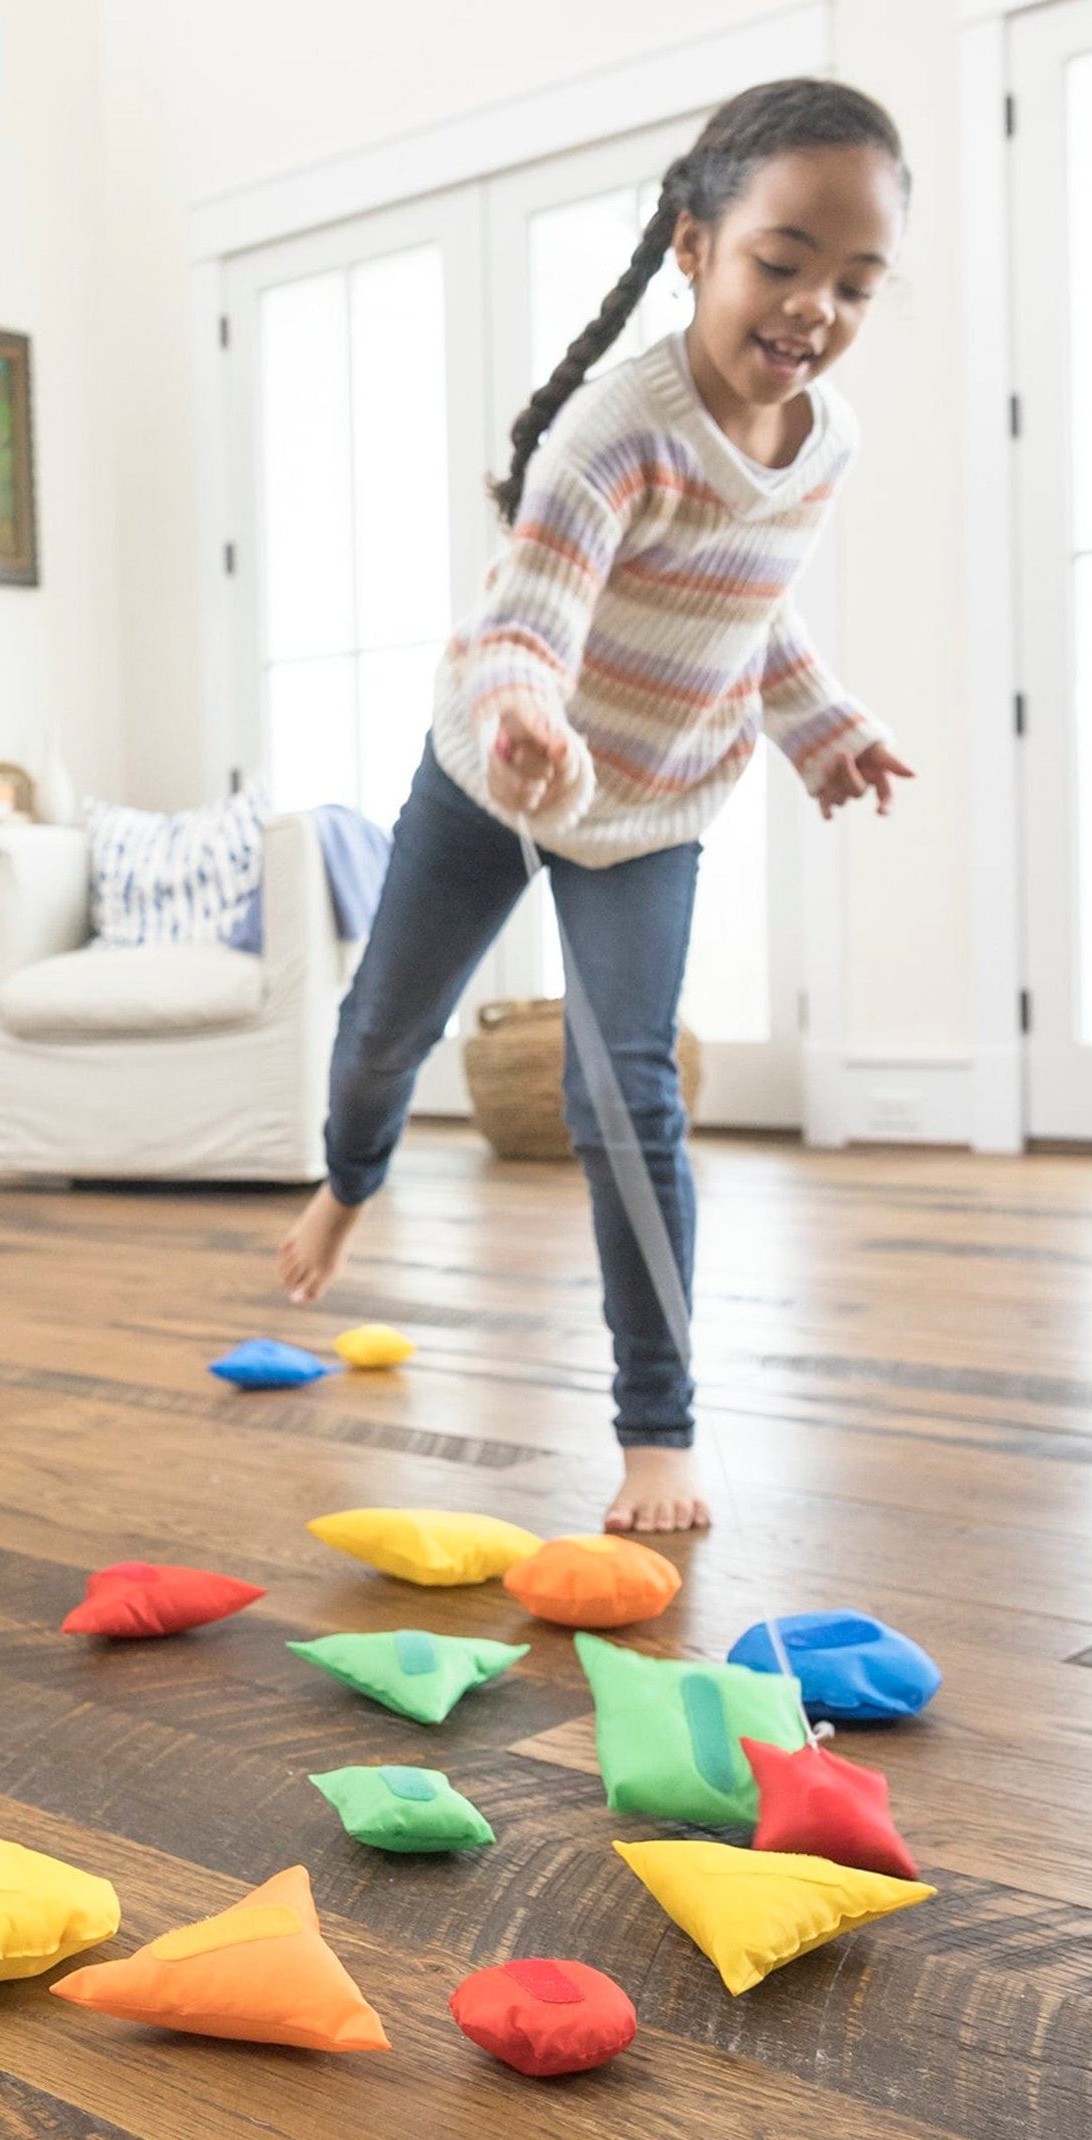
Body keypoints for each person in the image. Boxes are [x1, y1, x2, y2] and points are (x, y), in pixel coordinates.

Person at [278, 79, 914, 1534]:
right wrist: (520, 713)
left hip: (652, 801)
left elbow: (750, 611)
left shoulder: (822, 442)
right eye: (781, 261)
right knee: (383, 1030)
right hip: (496, 768)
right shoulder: (611, 431)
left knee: (621, 1100)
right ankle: (346, 1179)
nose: (813, 305)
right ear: (692, 246)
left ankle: (656, 1428)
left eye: (853, 283)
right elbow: (531, 610)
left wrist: (826, 731)